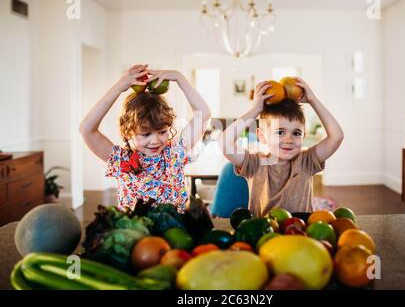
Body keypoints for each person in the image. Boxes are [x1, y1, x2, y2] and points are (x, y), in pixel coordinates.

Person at [79, 64, 211, 212]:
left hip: (175, 231)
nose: (155, 141)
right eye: (145, 134)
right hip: (136, 233)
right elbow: (86, 130)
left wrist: (179, 77)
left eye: (162, 132)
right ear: (128, 131)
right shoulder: (121, 159)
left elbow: (203, 114)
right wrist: (119, 87)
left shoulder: (174, 153)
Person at [218, 77, 344, 217]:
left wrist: (313, 100)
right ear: (262, 136)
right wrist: (255, 110)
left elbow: (336, 136)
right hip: (264, 234)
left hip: (299, 234)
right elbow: (224, 143)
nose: (288, 139)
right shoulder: (255, 163)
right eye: (280, 132)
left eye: (296, 133)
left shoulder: (307, 161)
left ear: (303, 136)